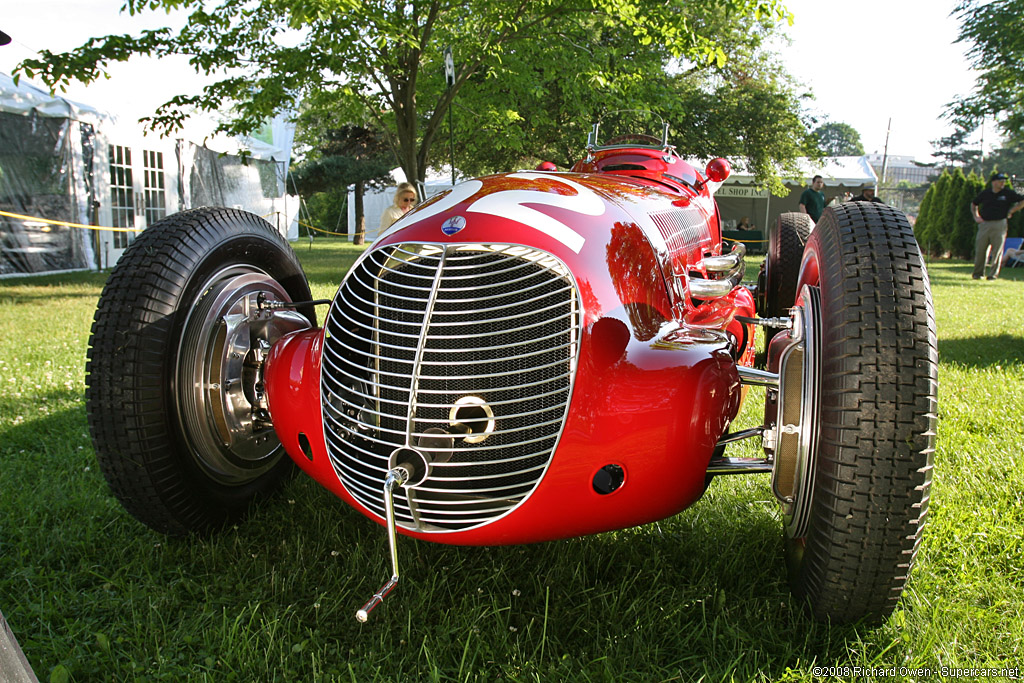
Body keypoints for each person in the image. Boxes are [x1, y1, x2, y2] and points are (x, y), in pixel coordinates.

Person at [970, 172, 1024, 280]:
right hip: (985, 224)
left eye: (1004, 181)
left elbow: (1022, 200)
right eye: (1000, 181)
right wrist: (976, 217)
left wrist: (1012, 211)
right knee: (981, 249)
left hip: (1000, 223)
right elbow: (974, 203)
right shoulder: (986, 193)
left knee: (997, 250)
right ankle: (978, 273)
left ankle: (993, 275)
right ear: (994, 182)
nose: (1003, 183)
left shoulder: (1007, 193)